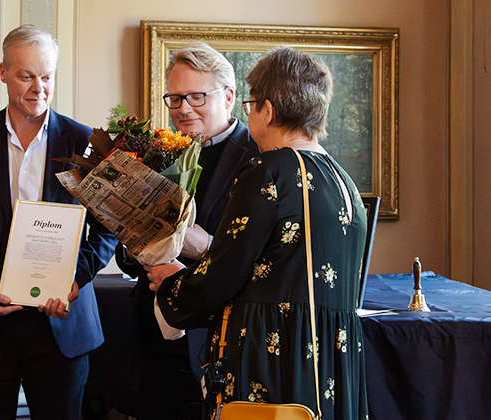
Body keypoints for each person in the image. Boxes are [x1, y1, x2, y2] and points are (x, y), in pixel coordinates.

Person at [147, 47, 369, 420]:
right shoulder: (343, 180)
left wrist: (173, 283)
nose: (248, 116)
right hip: (331, 363)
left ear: (268, 110)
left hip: (272, 361)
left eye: (250, 105)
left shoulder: (268, 171)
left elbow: (221, 276)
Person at [0, 24, 117, 420]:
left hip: (61, 326)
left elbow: (107, 229)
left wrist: (75, 280)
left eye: (46, 76)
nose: (38, 88)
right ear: (3, 72)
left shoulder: (85, 142)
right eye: (26, 76)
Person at [115, 41, 259, 420]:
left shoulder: (260, 157)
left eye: (196, 97)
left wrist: (208, 247)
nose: (183, 110)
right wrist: (135, 245)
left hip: (213, 343)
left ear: (228, 96)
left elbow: (264, 261)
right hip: (152, 342)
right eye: (175, 99)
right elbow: (128, 258)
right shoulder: (161, 150)